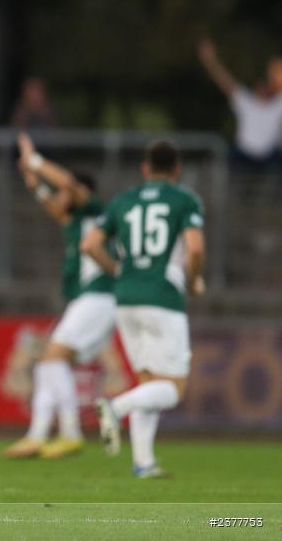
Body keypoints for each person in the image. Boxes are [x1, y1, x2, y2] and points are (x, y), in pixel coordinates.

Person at [81, 140, 206, 478]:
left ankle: (143, 462)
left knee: (148, 382)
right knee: (172, 389)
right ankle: (114, 407)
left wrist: (117, 271)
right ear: (177, 170)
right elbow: (194, 248)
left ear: (145, 169)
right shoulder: (184, 199)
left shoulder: (123, 201)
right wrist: (194, 281)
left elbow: (90, 244)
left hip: (125, 298)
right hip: (162, 298)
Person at [4, 133, 116, 459]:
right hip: (89, 299)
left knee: (53, 359)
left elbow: (66, 182)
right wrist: (34, 183)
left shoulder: (96, 210)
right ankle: (37, 435)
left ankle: (69, 433)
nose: (59, 195)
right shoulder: (77, 220)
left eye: (65, 192)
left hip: (99, 297)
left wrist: (34, 160)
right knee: (46, 366)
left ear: (83, 193)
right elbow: (52, 204)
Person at [197, 38, 282, 166]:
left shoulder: (277, 104)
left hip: (269, 158)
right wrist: (210, 60)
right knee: (220, 159)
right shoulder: (246, 101)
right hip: (243, 155)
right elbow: (225, 81)